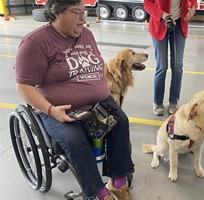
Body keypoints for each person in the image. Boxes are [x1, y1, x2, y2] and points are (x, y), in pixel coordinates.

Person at [15, 0, 134, 199]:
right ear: (56, 13)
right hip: (58, 108)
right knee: (73, 139)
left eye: (84, 12)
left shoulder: (86, 34)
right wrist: (51, 110)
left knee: (121, 122)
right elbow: (24, 86)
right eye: (77, 12)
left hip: (98, 103)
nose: (83, 18)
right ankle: (97, 192)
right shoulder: (36, 42)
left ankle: (118, 181)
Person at [143, 0, 197, 116]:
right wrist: (163, 15)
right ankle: (157, 102)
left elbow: (193, 1)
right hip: (160, 23)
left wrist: (192, 8)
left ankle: (173, 102)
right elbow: (147, 3)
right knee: (162, 66)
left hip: (179, 25)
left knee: (177, 66)